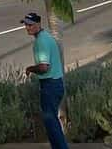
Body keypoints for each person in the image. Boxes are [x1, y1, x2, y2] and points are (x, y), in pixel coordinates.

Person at [22, 11, 68, 149]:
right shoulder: (45, 37)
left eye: (30, 25)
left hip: (50, 86)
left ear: (38, 24)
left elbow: (43, 67)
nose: (27, 27)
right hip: (55, 84)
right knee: (52, 122)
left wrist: (30, 68)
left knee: (52, 124)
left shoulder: (41, 41)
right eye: (26, 25)